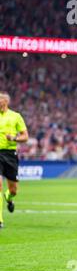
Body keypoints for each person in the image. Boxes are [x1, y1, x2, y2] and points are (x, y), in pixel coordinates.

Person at [0, 91, 29, 228]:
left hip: (10, 154)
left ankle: (9, 198)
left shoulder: (16, 116)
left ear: (6, 101)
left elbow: (25, 136)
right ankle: (0, 220)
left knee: (13, 190)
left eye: (0, 100)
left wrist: (14, 138)